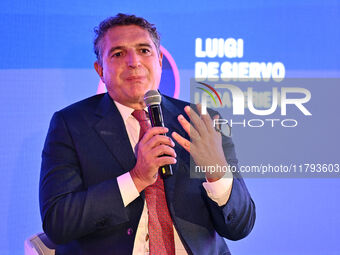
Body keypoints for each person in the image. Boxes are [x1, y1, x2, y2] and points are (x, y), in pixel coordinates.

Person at [39, 13, 255, 255]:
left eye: (144, 50)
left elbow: (241, 226)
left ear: (160, 60)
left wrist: (217, 173)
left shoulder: (201, 121)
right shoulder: (71, 124)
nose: (134, 62)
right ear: (100, 70)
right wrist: (136, 178)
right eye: (118, 54)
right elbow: (58, 222)